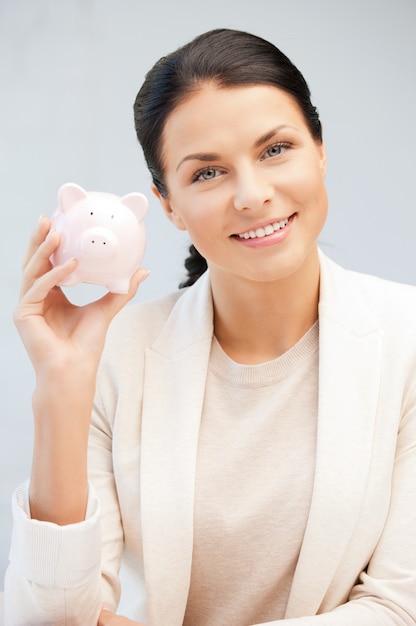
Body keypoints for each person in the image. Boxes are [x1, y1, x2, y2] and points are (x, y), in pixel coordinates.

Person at [4, 27, 416, 626]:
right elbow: (49, 618)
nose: (253, 195)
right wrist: (62, 387)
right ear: (166, 204)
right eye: (207, 174)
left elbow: (399, 609)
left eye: (276, 149)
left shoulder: (408, 339)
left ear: (320, 149)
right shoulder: (120, 353)